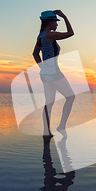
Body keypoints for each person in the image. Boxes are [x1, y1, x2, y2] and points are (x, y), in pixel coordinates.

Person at [33, 10, 75, 138]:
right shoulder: (50, 35)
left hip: (45, 74)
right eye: (56, 22)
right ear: (49, 22)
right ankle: (61, 126)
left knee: (49, 102)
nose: (57, 24)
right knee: (71, 96)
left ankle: (46, 132)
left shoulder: (40, 36)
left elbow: (35, 54)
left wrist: (43, 68)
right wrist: (64, 16)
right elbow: (70, 33)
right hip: (54, 73)